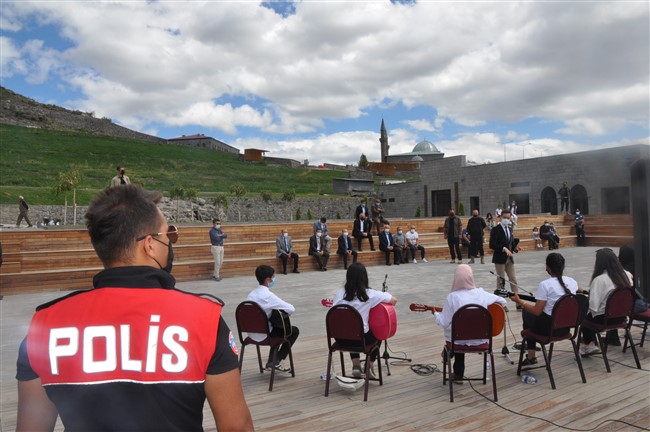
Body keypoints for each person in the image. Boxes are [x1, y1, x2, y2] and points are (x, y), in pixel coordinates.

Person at [15, 184, 254, 431]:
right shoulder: (204, 318)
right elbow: (237, 427)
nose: (171, 242)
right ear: (149, 244)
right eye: (169, 235)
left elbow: (31, 428)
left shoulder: (44, 324)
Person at [433, 264, 507, 382]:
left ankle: (458, 374)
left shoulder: (452, 297)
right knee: (462, 331)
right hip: (481, 340)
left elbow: (444, 323)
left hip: (457, 342)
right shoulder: (482, 294)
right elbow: (503, 301)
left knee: (457, 333)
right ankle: (453, 363)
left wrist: (436, 314)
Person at [511, 253, 580, 365]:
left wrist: (520, 302)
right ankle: (531, 356)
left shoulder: (545, 285)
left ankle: (531, 356)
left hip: (549, 330)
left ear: (548, 268)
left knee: (527, 313)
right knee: (533, 315)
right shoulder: (572, 281)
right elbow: (578, 290)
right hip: (566, 328)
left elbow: (537, 311)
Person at [332, 263, 397, 378]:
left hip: (340, 339)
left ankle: (356, 366)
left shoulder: (339, 293)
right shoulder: (370, 294)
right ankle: (369, 365)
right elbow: (394, 300)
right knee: (378, 334)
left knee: (350, 329)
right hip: (362, 340)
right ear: (364, 277)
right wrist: (382, 294)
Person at [579, 248, 634, 356]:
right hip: (622, 317)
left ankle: (589, 343)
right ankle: (591, 341)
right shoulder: (627, 274)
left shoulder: (599, 280)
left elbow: (593, 305)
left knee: (583, 317)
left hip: (604, 319)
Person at [247, 265, 299, 373]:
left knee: (276, 326)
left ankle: (272, 361)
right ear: (268, 279)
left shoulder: (251, 295)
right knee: (292, 330)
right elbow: (291, 309)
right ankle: (276, 360)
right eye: (273, 276)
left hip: (251, 333)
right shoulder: (268, 296)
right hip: (265, 335)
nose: (274, 278)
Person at [489, 209, 522, 301]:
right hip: (499, 258)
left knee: (513, 279)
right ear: (500, 217)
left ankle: (518, 302)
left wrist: (515, 248)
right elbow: (492, 245)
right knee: (501, 280)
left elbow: (510, 243)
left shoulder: (510, 228)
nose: (506, 219)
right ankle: (500, 302)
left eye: (508, 218)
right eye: (504, 217)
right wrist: (503, 248)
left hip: (509, 259)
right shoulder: (496, 229)